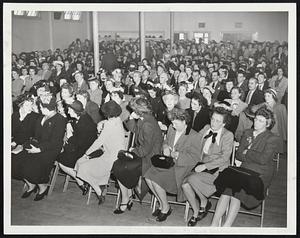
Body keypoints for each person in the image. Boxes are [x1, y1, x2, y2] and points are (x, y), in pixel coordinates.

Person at [212, 107, 280, 227]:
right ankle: (214, 224)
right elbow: (238, 155)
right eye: (256, 119)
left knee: (236, 191)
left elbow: (263, 160)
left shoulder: (272, 138)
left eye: (260, 121)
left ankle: (226, 227)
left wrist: (247, 152)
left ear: (268, 124)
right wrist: (250, 154)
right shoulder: (248, 132)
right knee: (227, 189)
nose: (256, 122)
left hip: (260, 176)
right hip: (244, 171)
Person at [144, 108, 200, 222]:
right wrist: (165, 147)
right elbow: (165, 142)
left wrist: (178, 155)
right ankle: (162, 204)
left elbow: (195, 158)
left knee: (156, 178)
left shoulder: (194, 135)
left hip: (181, 168)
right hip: (168, 164)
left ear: (184, 122)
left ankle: (166, 208)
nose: (173, 126)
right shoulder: (171, 128)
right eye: (172, 123)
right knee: (148, 175)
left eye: (176, 123)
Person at [181, 107, 234, 226]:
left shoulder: (227, 135)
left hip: (218, 171)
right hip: (200, 165)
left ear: (224, 123)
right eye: (213, 119)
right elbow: (193, 140)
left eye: (218, 121)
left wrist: (206, 166)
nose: (213, 123)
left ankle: (203, 203)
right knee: (184, 185)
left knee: (191, 179)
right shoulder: (206, 128)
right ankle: (198, 208)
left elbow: (224, 158)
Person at [112, 97, 163, 214]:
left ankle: (126, 197)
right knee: (118, 165)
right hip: (143, 154)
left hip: (149, 158)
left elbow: (146, 149)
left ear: (138, 110)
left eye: (133, 110)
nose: (132, 111)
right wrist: (130, 118)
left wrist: (132, 150)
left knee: (120, 167)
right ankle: (128, 195)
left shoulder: (148, 124)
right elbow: (134, 129)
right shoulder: (144, 118)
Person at [12, 96, 67, 201]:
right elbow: (35, 136)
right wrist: (22, 146)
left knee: (32, 165)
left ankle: (42, 187)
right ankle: (31, 185)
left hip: (50, 149)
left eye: (41, 107)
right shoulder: (42, 117)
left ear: (46, 108)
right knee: (15, 160)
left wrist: (39, 149)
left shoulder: (60, 120)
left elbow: (55, 141)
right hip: (36, 145)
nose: (39, 109)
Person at [73, 101, 125, 204]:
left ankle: (98, 189)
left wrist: (87, 154)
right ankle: (100, 186)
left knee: (81, 164)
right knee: (82, 164)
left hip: (111, 158)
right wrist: (102, 123)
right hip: (113, 154)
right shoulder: (117, 120)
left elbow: (99, 142)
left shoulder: (110, 124)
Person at [57, 100, 97, 194]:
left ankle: (81, 180)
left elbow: (79, 142)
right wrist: (69, 125)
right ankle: (81, 181)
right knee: (62, 155)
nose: (68, 112)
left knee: (61, 161)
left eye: (70, 110)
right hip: (81, 147)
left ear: (75, 111)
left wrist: (70, 136)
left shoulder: (84, 123)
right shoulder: (82, 117)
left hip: (86, 151)